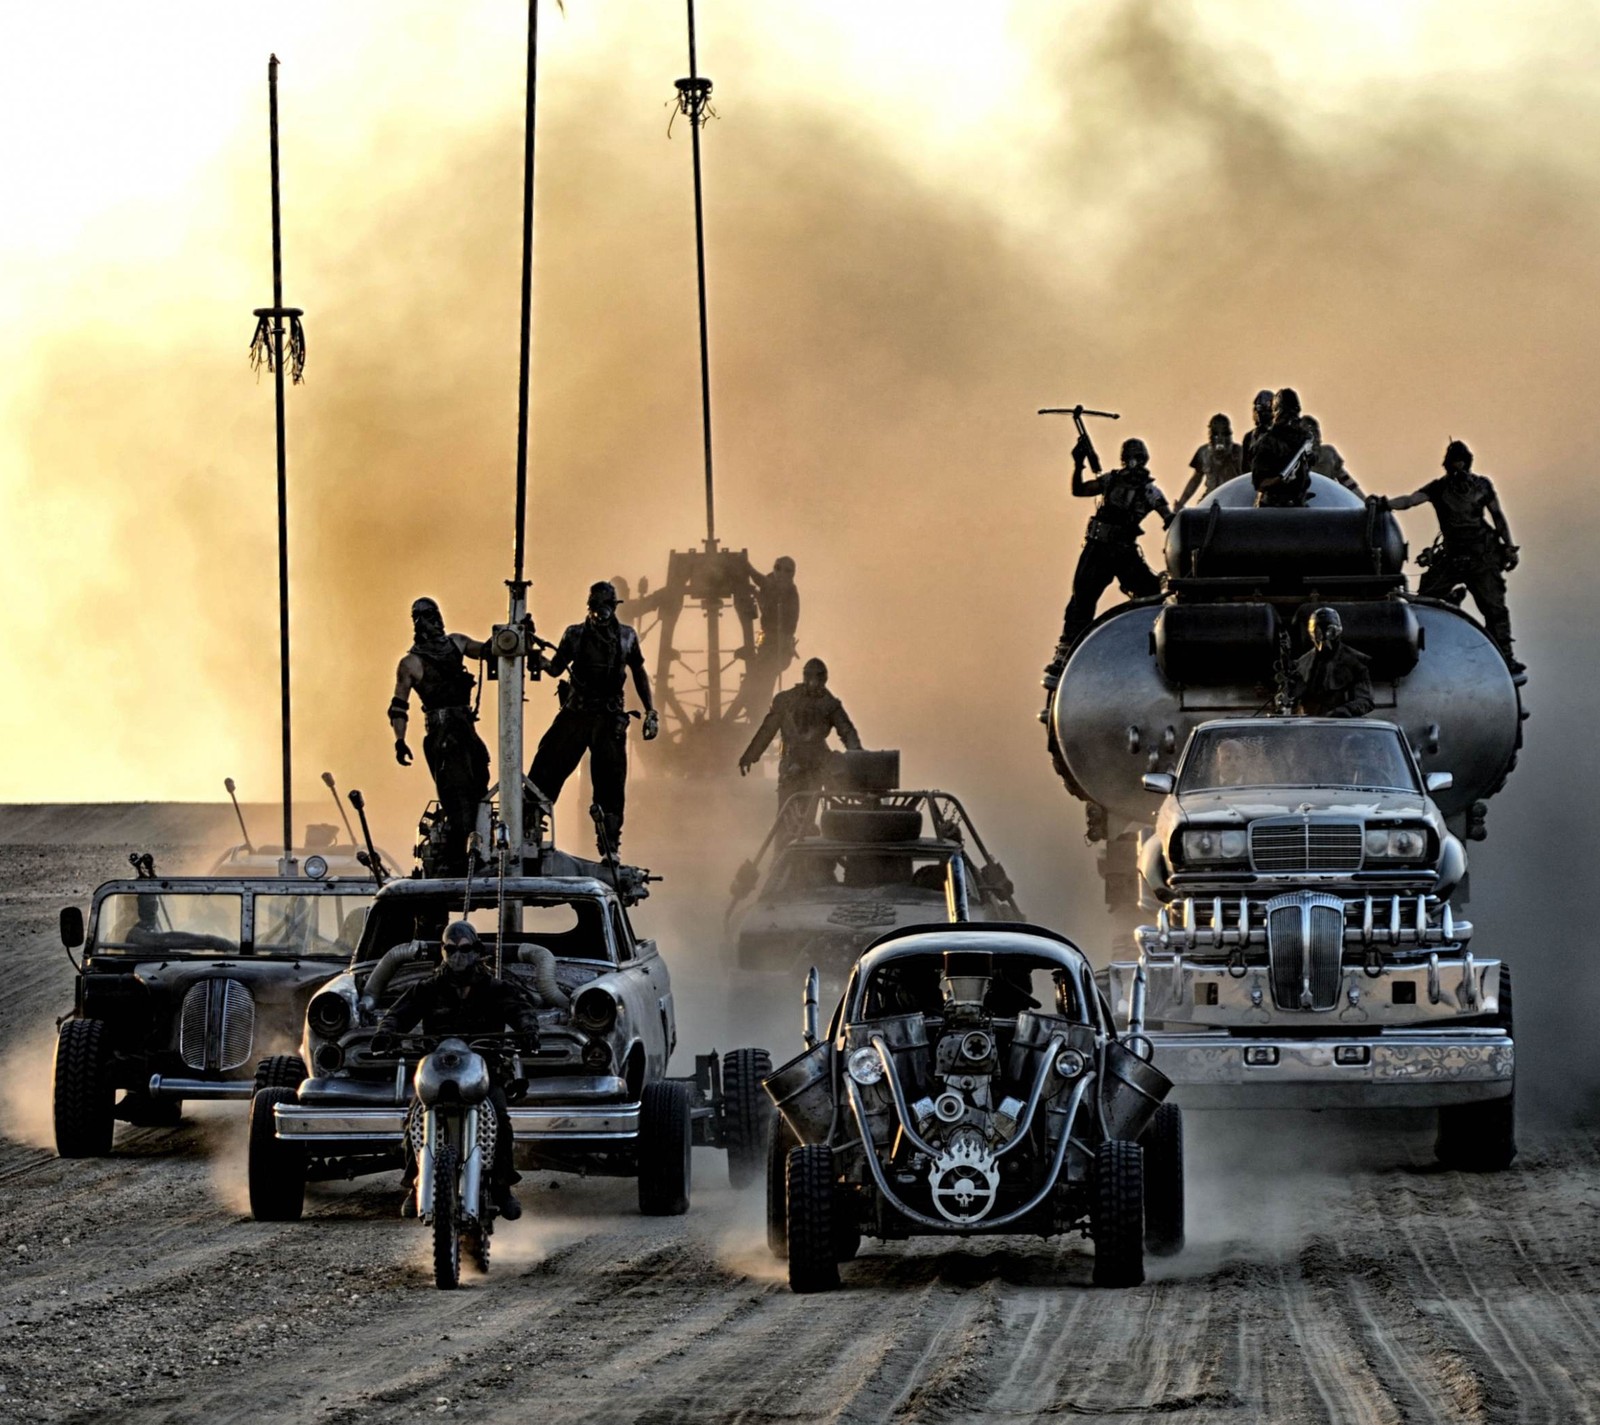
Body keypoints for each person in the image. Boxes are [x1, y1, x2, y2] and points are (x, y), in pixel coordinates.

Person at [372, 922, 542, 1221]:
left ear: (477, 951)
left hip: (485, 1068)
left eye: (464, 949)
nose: (458, 956)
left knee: (500, 1116)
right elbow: (398, 1013)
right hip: (438, 1070)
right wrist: (386, 1032)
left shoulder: (496, 988)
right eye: (451, 949)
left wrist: (529, 1029)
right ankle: (415, 1182)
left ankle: (502, 1187)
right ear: (443, 951)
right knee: (414, 1116)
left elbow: (521, 1010)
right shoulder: (427, 988)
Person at [529, 581, 659, 854]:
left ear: (613, 607)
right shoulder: (574, 635)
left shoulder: (627, 637)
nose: (601, 612)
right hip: (577, 714)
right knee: (547, 765)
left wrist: (651, 711)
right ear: (590, 607)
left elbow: (639, 672)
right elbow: (555, 669)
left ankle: (610, 841)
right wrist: (534, 656)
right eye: (597, 607)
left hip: (609, 718)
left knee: (611, 782)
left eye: (606, 606)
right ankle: (530, 822)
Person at [1374, 440, 1522, 674]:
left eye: (1462, 464)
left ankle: (1506, 658)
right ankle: (1417, 647)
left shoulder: (1482, 486)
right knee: (1425, 602)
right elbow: (1411, 500)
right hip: (1451, 556)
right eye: (1455, 465)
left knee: (1495, 609)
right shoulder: (1439, 488)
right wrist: (1385, 504)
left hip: (1481, 556)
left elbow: (1498, 517)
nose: (1459, 470)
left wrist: (1509, 547)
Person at [1044, 436, 1173, 684]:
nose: (1134, 464)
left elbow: (1170, 518)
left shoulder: (1150, 491)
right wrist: (1079, 462)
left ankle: (1155, 645)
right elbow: (1079, 490)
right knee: (1081, 600)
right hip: (1098, 550)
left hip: (1123, 552)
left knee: (1151, 594)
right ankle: (1065, 656)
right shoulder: (1110, 481)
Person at [389, 598, 493, 876]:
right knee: (456, 794)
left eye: (431, 615)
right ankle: (460, 856)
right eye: (421, 617)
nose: (428, 622)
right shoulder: (410, 663)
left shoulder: (456, 644)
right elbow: (399, 705)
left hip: (466, 732)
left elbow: (487, 650)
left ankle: (478, 848)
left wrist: (513, 634)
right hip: (442, 737)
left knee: (479, 785)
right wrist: (400, 740)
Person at [739, 658, 861, 836]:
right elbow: (768, 730)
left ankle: (799, 858)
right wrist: (750, 755)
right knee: (784, 821)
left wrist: (858, 756)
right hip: (792, 768)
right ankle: (783, 858)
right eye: (811, 677)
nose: (813, 682)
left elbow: (847, 732)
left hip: (812, 770)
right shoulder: (787, 700)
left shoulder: (829, 704)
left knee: (804, 820)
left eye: (817, 678)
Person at [727, 556, 801, 722]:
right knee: (754, 683)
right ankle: (756, 715)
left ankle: (759, 719)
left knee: (761, 685)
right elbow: (765, 587)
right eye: (778, 568)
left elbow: (767, 602)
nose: (781, 574)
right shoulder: (773, 583)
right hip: (768, 645)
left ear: (792, 574)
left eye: (787, 571)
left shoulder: (788, 593)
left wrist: (748, 569)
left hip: (777, 650)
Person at [1291, 608, 1374, 719]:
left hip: (1343, 727)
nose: (1324, 638)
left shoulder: (1356, 662)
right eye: (1318, 632)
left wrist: (1346, 710)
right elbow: (1293, 701)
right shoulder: (1301, 665)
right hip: (1309, 727)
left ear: (1337, 631)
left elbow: (1365, 700)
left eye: (1329, 631)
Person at [1250, 388, 1313, 507]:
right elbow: (1259, 482)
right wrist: (1278, 480)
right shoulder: (1267, 443)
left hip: (1297, 505)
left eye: (1294, 414)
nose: (1291, 419)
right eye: (1287, 414)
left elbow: (1310, 462)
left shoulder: (1302, 440)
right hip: (1272, 507)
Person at [1174, 414, 1244, 510]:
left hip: (1233, 500)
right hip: (1211, 498)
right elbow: (1195, 479)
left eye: (1224, 434)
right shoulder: (1203, 452)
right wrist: (1181, 502)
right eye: (1216, 434)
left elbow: (1247, 477)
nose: (1219, 438)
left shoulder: (1239, 452)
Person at [1300, 416, 1363, 496]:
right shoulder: (1292, 460)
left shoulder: (1328, 454)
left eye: (1316, 434)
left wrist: (1366, 504)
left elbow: (1349, 484)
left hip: (1328, 502)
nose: (1314, 440)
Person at [1239, 389, 1275, 474]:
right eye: (1259, 410)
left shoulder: (1282, 435)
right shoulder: (1249, 437)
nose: (1260, 414)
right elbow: (1245, 469)